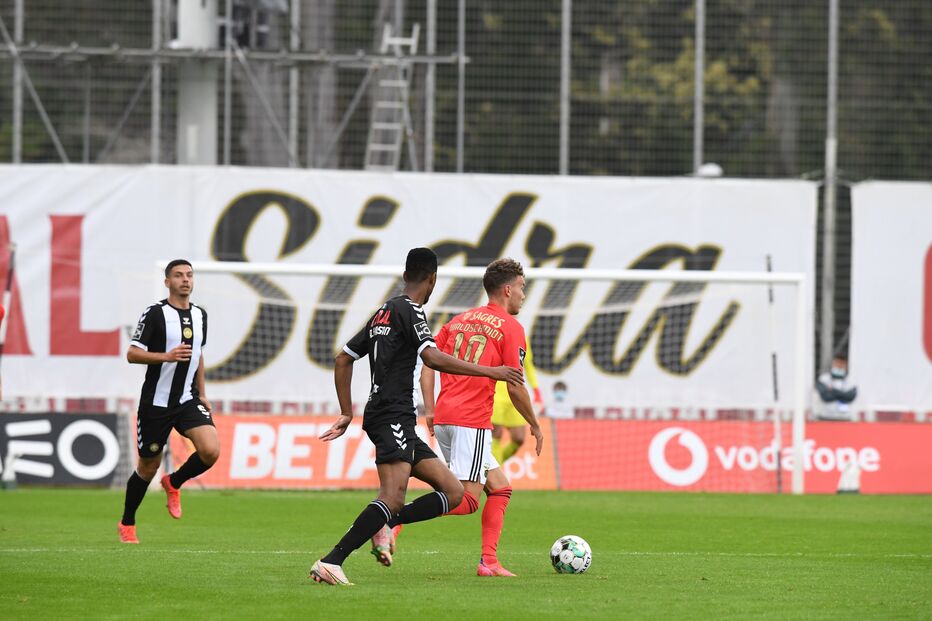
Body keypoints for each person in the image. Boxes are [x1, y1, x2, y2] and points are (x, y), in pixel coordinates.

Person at [310, 248, 524, 587]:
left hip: (394, 417)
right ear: (433, 278)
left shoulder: (384, 311)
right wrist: (491, 371)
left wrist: (346, 411)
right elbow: (432, 358)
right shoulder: (410, 310)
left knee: (454, 491)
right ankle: (332, 561)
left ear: (406, 274)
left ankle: (386, 523)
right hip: (391, 415)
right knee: (392, 496)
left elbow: (343, 358)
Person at [414, 257, 544, 577]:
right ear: (508, 289)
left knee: (500, 488)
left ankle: (489, 562)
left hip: (446, 416)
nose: (524, 295)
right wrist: (534, 424)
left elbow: (427, 364)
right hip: (471, 420)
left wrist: (429, 408)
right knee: (468, 500)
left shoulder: (458, 321)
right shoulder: (511, 327)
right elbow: (514, 386)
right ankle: (391, 518)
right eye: (522, 288)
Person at [117, 259, 220, 544]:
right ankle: (127, 522)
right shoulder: (155, 313)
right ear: (167, 282)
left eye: (189, 275)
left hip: (187, 399)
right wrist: (166, 356)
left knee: (210, 450)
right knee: (148, 466)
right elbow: (132, 353)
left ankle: (173, 481)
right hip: (156, 403)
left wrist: (202, 393)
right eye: (178, 275)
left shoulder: (200, 315)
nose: (185, 279)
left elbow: (198, 355)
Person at [491, 342, 543, 464]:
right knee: (496, 434)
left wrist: (536, 391)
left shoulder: (523, 337)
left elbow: (528, 365)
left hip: (515, 391)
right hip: (496, 392)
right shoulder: (494, 333)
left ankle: (493, 468)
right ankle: (495, 473)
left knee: (519, 438)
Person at [815, 355, 857, 421]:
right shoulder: (824, 378)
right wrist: (843, 394)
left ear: (846, 366)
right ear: (833, 364)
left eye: (841, 364)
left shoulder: (850, 380)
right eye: (837, 364)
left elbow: (850, 397)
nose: (839, 366)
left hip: (845, 418)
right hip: (825, 417)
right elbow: (825, 397)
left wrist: (832, 390)